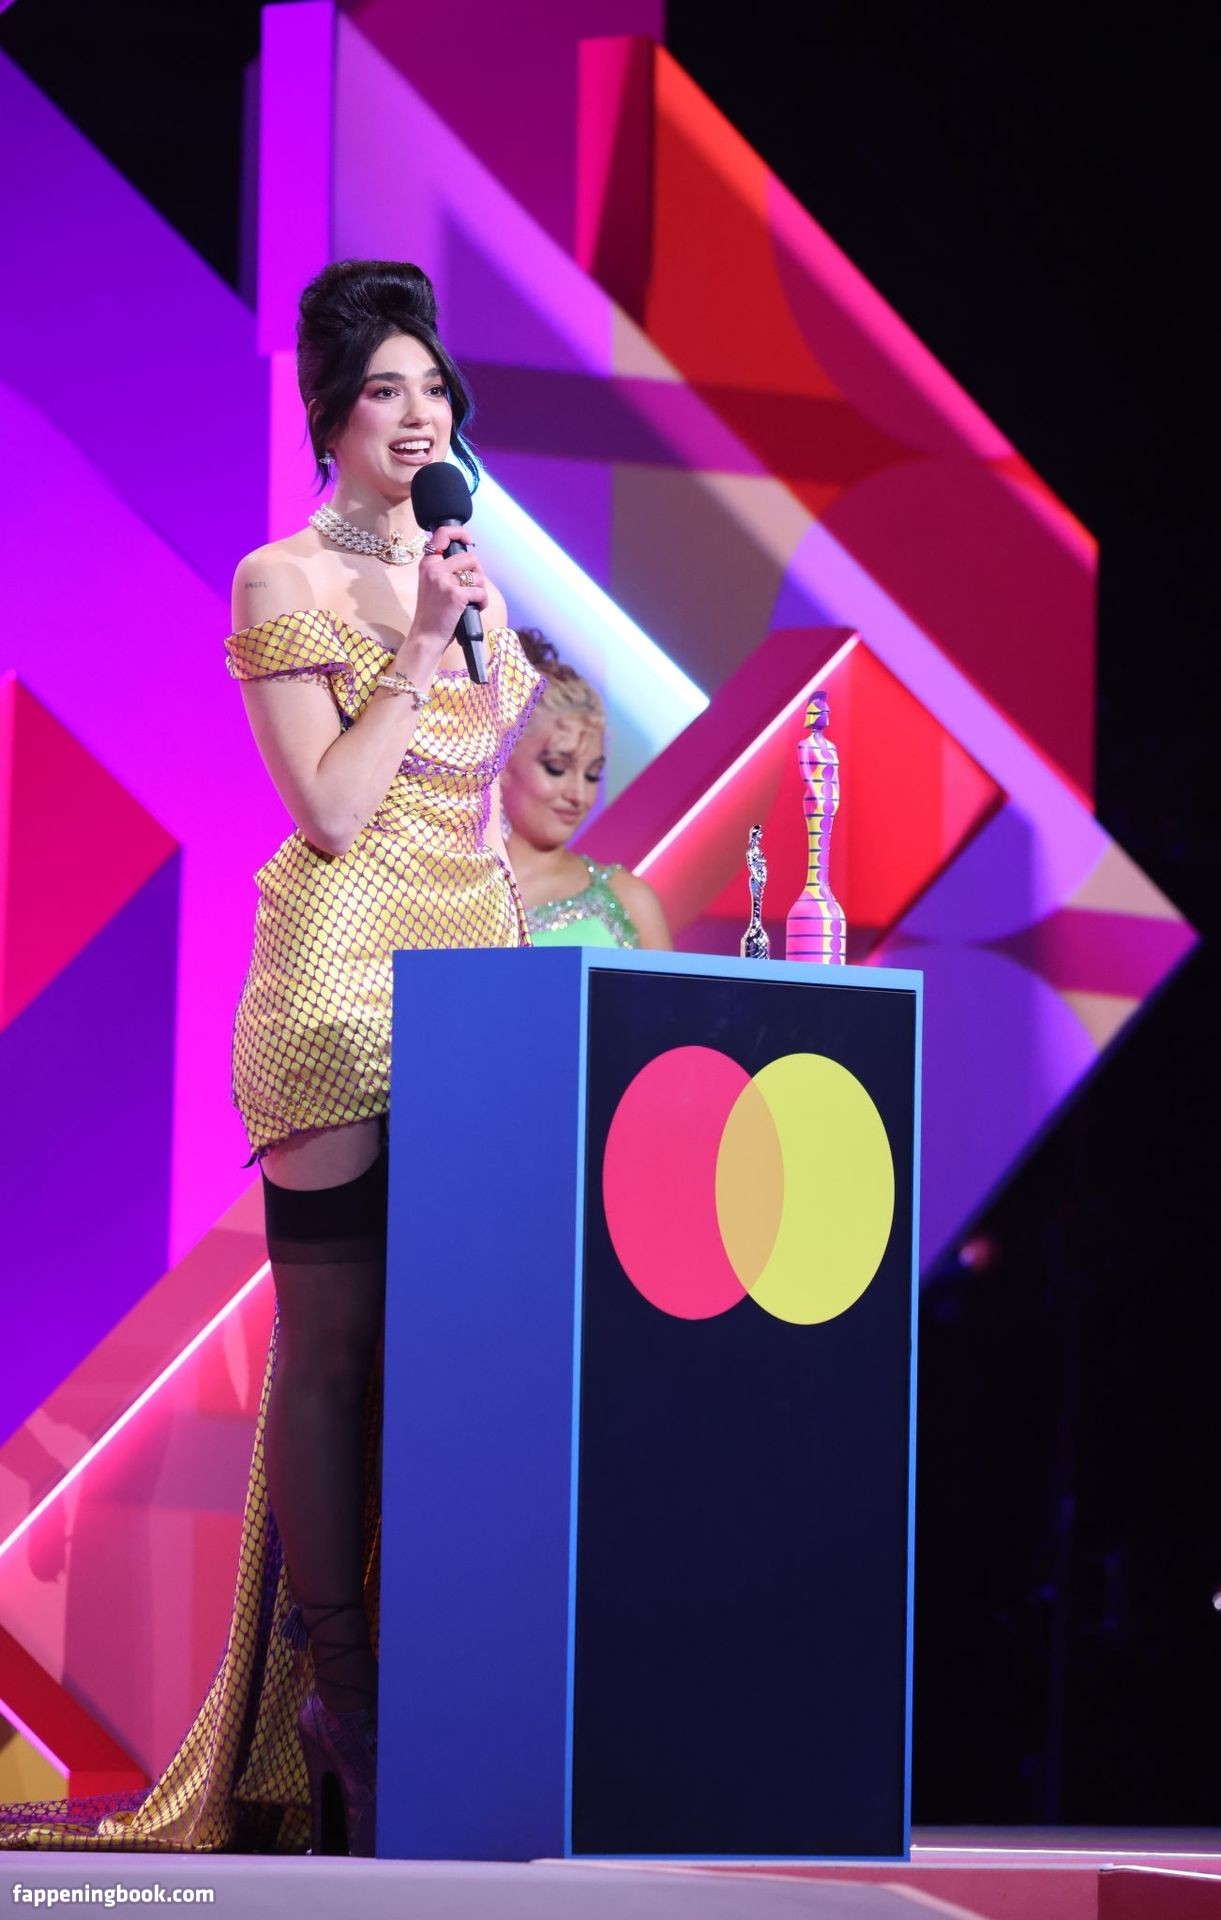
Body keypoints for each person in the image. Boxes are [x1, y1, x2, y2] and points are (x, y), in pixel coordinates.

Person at [0, 259, 541, 1858]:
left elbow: (482, 799)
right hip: (339, 984)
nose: (417, 416)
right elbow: (334, 811)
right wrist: (421, 642)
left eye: (432, 389)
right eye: (384, 390)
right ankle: (346, 1705)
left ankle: (448, 1680)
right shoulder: (276, 580)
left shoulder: (463, 563)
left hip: (477, 985)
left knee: (457, 1355)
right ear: (330, 413)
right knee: (336, 1346)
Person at [502, 632, 672, 950]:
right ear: (501, 758)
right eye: (556, 767)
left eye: (593, 775)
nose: (579, 795)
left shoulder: (629, 902)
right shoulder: (443, 889)